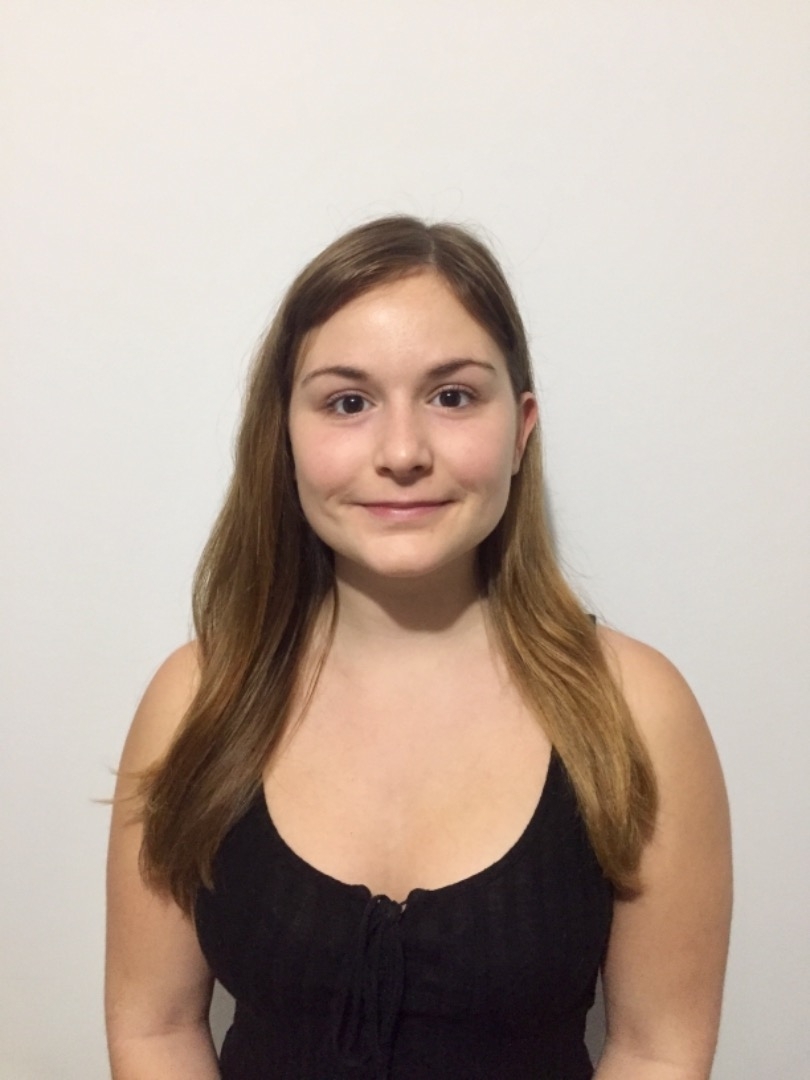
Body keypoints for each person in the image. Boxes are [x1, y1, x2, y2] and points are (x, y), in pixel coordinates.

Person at [105, 216, 732, 1079]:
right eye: (348, 402)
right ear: (283, 434)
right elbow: (155, 1028)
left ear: (521, 428)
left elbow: (659, 1050)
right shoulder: (197, 700)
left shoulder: (638, 709)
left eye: (452, 397)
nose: (402, 452)